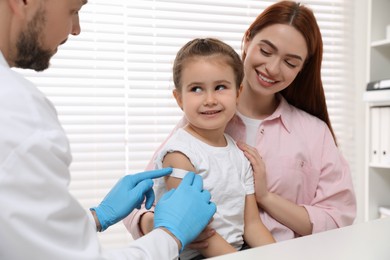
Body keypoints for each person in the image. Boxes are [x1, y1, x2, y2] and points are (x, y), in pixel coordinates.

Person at [123, 0, 357, 247]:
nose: (273, 68)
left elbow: (337, 219)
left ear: (302, 68)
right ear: (247, 39)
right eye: (266, 51)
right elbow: (139, 203)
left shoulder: (314, 133)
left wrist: (266, 197)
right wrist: (166, 227)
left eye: (290, 62)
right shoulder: (202, 123)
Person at [0, 0, 216, 259]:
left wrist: (96, 217)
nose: (75, 29)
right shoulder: (16, 111)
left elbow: (22, 234)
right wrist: (170, 235)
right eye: (73, 10)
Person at [150, 38, 275, 259]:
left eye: (220, 87)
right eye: (196, 89)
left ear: (238, 92)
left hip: (236, 251)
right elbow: (201, 235)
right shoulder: (180, 155)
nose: (210, 99)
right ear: (179, 98)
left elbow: (252, 225)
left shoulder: (239, 155)